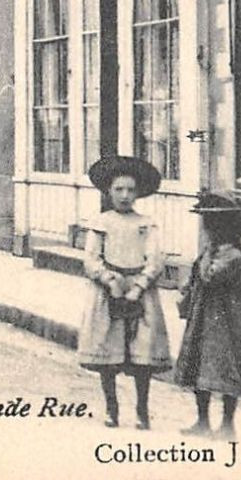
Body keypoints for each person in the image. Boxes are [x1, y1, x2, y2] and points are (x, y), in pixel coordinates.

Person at [78, 155, 172, 430]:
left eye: (130, 190)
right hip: (108, 292)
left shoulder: (147, 223)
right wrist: (109, 280)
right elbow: (91, 259)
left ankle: (142, 409)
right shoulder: (101, 222)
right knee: (109, 354)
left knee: (142, 355)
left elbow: (155, 259)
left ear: (138, 193)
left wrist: (140, 285)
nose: (124, 195)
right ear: (109, 190)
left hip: (140, 293)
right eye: (119, 189)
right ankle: (112, 408)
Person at [173, 191, 241, 437]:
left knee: (226, 371)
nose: (208, 229)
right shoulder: (214, 251)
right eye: (207, 223)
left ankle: (227, 424)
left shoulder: (231, 256)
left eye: (213, 224)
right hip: (205, 318)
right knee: (200, 368)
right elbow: (197, 277)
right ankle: (202, 421)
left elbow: (210, 276)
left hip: (228, 323)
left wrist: (206, 256)